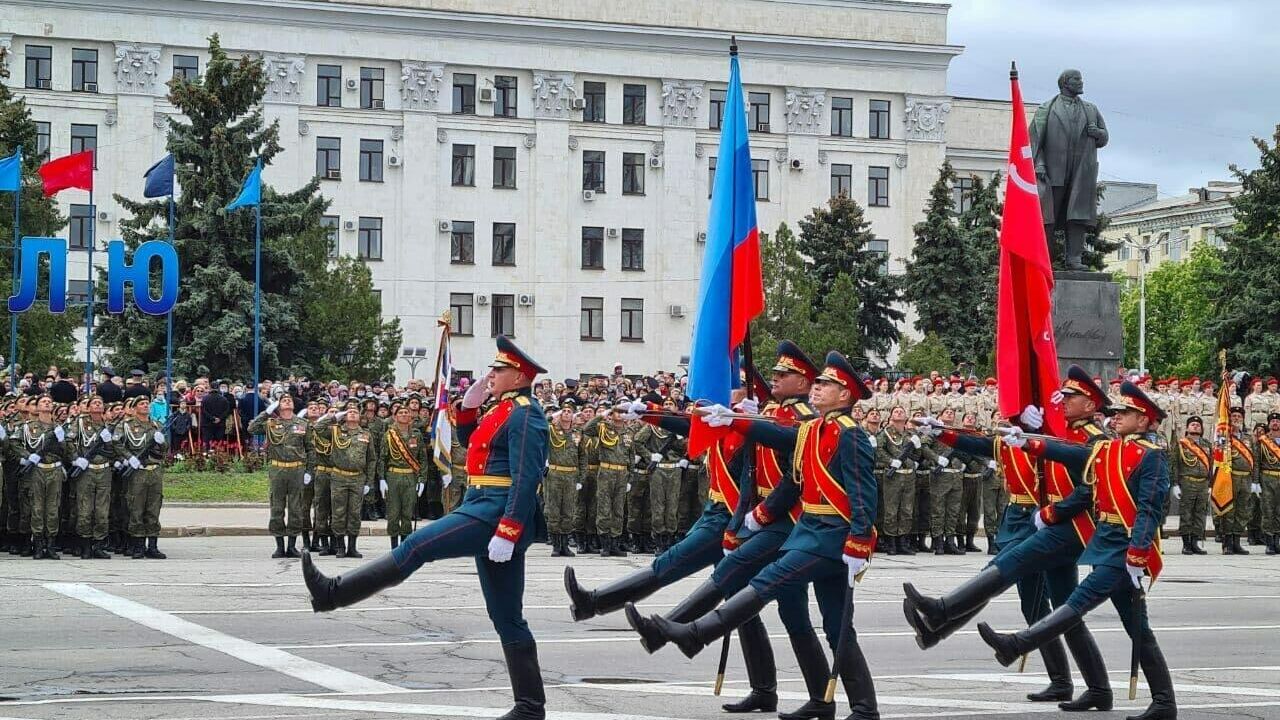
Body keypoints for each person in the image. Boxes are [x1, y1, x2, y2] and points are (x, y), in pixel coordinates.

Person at [303, 336, 550, 720]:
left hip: (494, 512)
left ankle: (333, 594)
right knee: (506, 616)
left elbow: (526, 476)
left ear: (518, 376)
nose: (491, 375)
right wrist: (468, 409)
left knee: (417, 545)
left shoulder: (526, 414)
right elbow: (474, 445)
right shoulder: (502, 410)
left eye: (498, 370)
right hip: (481, 504)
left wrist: (509, 529)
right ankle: (531, 708)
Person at [640, 351, 881, 720]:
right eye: (816, 383)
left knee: (770, 579)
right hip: (811, 532)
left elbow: (864, 494)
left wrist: (860, 542)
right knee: (836, 626)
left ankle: (697, 633)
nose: (817, 388)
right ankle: (848, 706)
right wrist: (738, 425)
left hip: (834, 538)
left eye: (826, 384)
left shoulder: (850, 435)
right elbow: (792, 473)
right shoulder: (811, 430)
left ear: (845, 395)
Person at [903, 365, 1112, 711]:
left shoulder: (1088, 438)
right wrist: (943, 432)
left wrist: (1053, 513)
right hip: (1041, 522)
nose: (1063, 401)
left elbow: (1090, 489)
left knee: (1006, 567)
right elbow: (983, 443)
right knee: (1056, 610)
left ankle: (941, 615)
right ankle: (1087, 686)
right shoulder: (1049, 434)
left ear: (1090, 405)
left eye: (1071, 397)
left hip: (1069, 526)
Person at [977, 381, 1175, 720]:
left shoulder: (1152, 457)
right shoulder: (1109, 450)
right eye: (1116, 414)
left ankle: (1018, 644)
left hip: (1126, 551)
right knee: (1136, 626)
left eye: (1125, 414)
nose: (1116, 418)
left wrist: (1139, 554)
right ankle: (1159, 701)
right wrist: (1028, 441)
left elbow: (1150, 510)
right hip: (1107, 545)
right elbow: (1068, 452)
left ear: (1143, 420)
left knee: (1075, 604)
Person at [247, 395, 314, 559]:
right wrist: (266, 413)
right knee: (277, 508)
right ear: (278, 406)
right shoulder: (271, 423)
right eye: (283, 400)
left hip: (296, 469)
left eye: (289, 400)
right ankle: (279, 546)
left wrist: (309, 471)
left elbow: (310, 449)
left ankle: (292, 545)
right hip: (277, 469)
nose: (287, 401)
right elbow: (252, 428)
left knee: (295, 508)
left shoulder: (302, 424)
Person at [115, 396, 169, 559]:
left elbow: (165, 448)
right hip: (138, 471)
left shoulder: (155, 425)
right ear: (135, 407)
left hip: (154, 470)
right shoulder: (126, 425)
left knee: (154, 507)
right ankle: (137, 546)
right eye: (142, 404)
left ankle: (152, 546)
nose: (145, 406)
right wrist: (128, 457)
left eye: (147, 404)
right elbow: (116, 443)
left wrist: (161, 442)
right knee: (136, 507)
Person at [69, 395, 115, 559]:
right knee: (85, 510)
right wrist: (75, 458)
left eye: (100, 402)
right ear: (88, 407)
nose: (97, 404)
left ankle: (98, 544)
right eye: (94, 402)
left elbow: (114, 449)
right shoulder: (80, 423)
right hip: (86, 470)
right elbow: (69, 441)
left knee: (102, 511)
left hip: (103, 471)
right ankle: (85, 545)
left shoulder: (108, 426)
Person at [379, 401, 427, 549]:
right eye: (400, 412)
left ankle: (404, 546)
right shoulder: (389, 435)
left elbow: (423, 459)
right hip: (393, 476)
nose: (404, 415)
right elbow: (382, 459)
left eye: (406, 412)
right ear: (395, 416)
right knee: (393, 513)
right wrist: (381, 479)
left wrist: (422, 480)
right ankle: (394, 547)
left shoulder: (416, 435)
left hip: (410, 477)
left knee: (407, 513)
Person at [545, 406, 584, 557]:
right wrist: (554, 416)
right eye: (564, 411)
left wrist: (581, 478)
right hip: (555, 473)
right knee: (554, 510)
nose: (566, 413)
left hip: (571, 474)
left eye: (569, 411)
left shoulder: (577, 433)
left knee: (568, 511)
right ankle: (556, 545)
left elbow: (582, 457)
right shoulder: (551, 430)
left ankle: (565, 544)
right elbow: (541, 423)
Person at [1172, 416, 1211, 555]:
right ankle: (1186, 543)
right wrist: (1175, 484)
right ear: (1187, 428)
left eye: (1198, 425)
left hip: (1203, 483)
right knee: (1187, 513)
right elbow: (1175, 465)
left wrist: (1211, 483)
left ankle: (1195, 542)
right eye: (1193, 425)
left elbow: (1211, 465)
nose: (1195, 427)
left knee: (1200, 513)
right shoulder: (1181, 444)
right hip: (1187, 482)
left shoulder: (1206, 444)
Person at [1257, 412, 1280, 555]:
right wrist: (1255, 482)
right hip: (1267, 477)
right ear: (1269, 424)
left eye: (1278, 421)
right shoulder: (1262, 441)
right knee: (1268, 511)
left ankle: (1277, 540)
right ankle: (1269, 542)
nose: (1276, 423)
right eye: (1273, 421)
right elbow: (1257, 462)